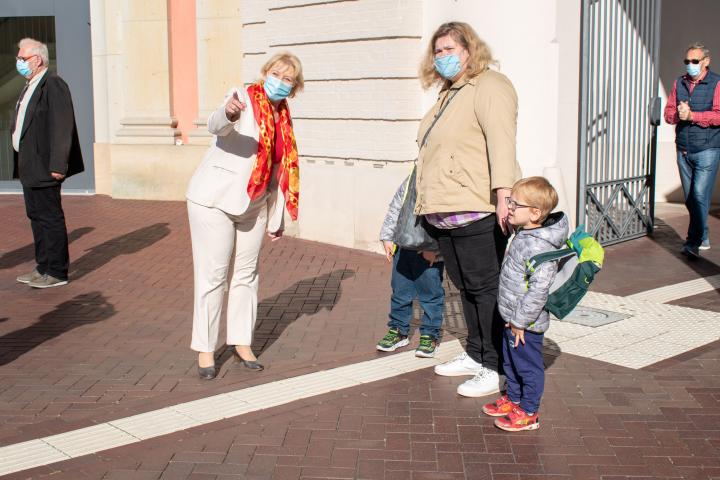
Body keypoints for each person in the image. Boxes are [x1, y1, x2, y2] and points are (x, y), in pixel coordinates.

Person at [414, 22, 521, 397]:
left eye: (450, 49)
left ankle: (496, 366)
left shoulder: (489, 86)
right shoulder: (449, 93)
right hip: (446, 210)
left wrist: (504, 194)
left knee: (486, 289)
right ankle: (477, 355)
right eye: (438, 51)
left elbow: (501, 143)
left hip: (476, 208)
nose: (442, 56)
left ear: (469, 50)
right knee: (465, 289)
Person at [186, 52, 303, 380]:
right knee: (214, 276)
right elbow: (216, 126)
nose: (280, 81)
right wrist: (228, 112)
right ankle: (206, 349)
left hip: (255, 203)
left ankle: (241, 342)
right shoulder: (244, 98)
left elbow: (281, 168)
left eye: (288, 78)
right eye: (277, 73)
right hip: (216, 200)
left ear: (294, 87)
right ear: (265, 72)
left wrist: (277, 215)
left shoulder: (283, 116)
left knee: (247, 274)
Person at [482, 177, 567, 431]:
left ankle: (529, 412)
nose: (508, 207)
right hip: (513, 318)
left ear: (535, 213)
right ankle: (514, 399)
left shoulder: (541, 246)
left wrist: (520, 321)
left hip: (526, 323)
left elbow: (539, 291)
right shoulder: (525, 232)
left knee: (527, 367)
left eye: (514, 204)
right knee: (510, 361)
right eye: (510, 202)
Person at [12, 38, 84, 289]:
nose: (18, 62)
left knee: (50, 217)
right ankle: (42, 266)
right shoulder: (30, 85)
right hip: (29, 164)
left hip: (45, 166)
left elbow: (62, 127)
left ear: (37, 59)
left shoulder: (53, 84)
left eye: (22, 58)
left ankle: (56, 271)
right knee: (35, 216)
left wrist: (58, 165)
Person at [376, 174, 445, 358]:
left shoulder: (442, 176)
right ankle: (398, 330)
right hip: (404, 246)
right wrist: (387, 236)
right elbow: (396, 206)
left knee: (430, 294)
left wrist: (435, 249)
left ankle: (430, 334)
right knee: (400, 291)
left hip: (428, 250)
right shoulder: (412, 177)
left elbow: (444, 219)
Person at [664, 42, 720, 258]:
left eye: (695, 61)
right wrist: (679, 113)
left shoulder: (716, 84)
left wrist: (694, 116)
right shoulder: (679, 83)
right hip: (684, 148)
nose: (690, 65)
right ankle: (703, 234)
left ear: (706, 62)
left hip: (708, 148)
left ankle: (693, 241)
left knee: (698, 195)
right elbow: (669, 114)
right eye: (687, 61)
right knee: (691, 198)